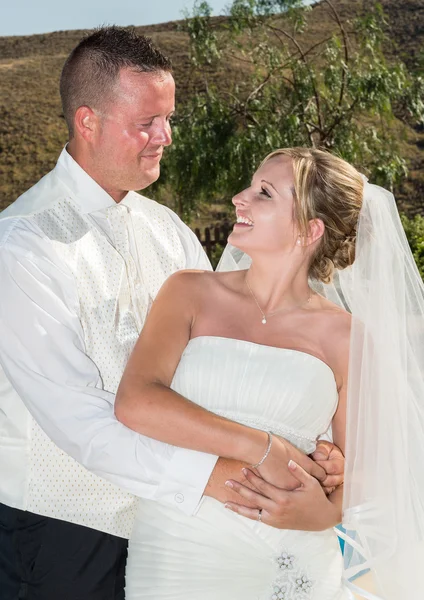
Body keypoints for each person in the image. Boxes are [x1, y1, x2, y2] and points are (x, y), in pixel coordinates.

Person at [0, 29, 343, 600]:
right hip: (63, 542)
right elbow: (80, 420)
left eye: (168, 119)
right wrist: (243, 478)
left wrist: (316, 452)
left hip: (180, 537)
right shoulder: (21, 246)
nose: (166, 136)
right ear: (88, 122)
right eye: (146, 123)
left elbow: (224, 361)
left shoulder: (170, 232)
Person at [115, 147, 424, 600]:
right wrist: (264, 448)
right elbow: (136, 402)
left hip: (290, 556)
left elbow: (366, 474)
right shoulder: (188, 292)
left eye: (264, 193)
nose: (240, 198)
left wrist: (322, 514)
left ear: (308, 229)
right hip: (176, 548)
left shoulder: (347, 337)